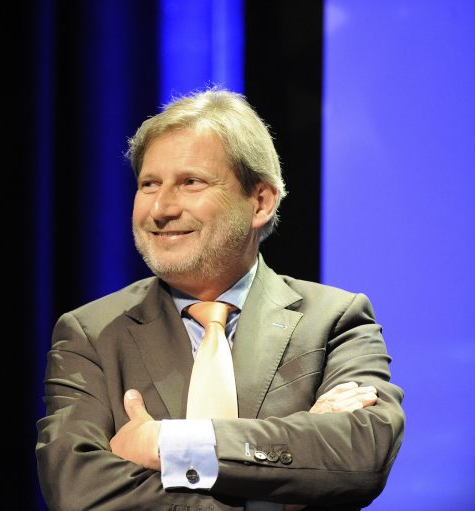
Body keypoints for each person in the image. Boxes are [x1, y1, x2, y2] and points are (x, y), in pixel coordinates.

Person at [35, 89, 404, 511]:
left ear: (260, 202)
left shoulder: (335, 319)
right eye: (149, 184)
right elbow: (77, 489)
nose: (161, 208)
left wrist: (168, 444)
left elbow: (361, 455)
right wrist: (275, 492)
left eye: (190, 182)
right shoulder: (91, 334)